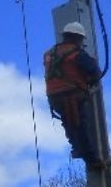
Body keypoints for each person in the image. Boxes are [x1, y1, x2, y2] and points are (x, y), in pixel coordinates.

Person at [44, 22, 102, 165]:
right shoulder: (77, 54)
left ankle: (76, 149)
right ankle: (92, 161)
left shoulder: (50, 54)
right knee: (80, 125)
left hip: (54, 98)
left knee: (69, 124)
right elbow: (94, 72)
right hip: (72, 96)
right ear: (79, 38)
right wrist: (91, 80)